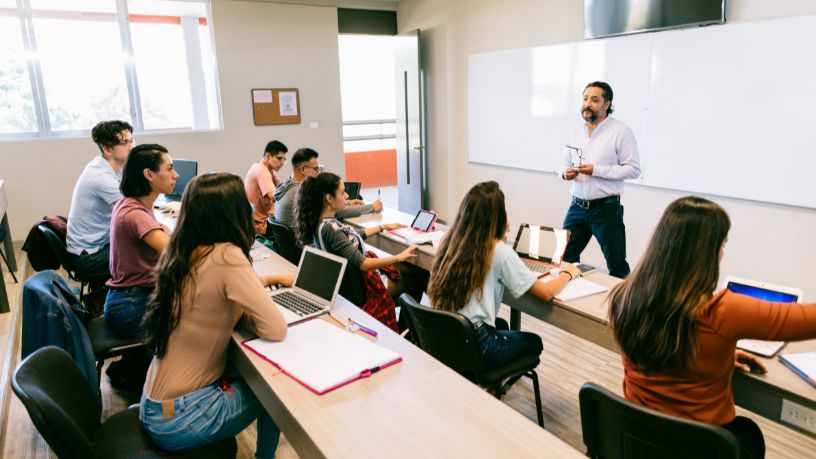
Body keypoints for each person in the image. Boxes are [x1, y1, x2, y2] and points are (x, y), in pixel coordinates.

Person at [609, 196, 816, 459]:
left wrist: (720, 355)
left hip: (638, 440)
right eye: (723, 244)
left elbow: (668, 345)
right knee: (747, 433)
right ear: (707, 251)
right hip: (698, 449)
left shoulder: (623, 297)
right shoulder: (723, 311)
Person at [140, 173, 292, 457]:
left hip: (155, 405)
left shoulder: (182, 251)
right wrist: (249, 314)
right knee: (275, 390)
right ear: (232, 212)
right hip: (181, 418)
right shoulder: (227, 256)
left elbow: (213, 293)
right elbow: (275, 329)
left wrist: (257, 294)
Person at [427, 181, 581, 370]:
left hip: (446, 335)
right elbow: (547, 293)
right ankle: (491, 386)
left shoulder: (451, 240)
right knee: (534, 342)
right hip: (477, 343)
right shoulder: (499, 251)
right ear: (497, 217)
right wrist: (568, 273)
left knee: (501, 324)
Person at [293, 172, 413, 331]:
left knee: (409, 270)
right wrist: (399, 256)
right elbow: (364, 264)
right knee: (415, 278)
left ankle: (405, 327)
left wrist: (382, 227)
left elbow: (350, 239)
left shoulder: (320, 222)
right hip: (364, 288)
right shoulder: (331, 229)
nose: (347, 195)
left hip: (348, 285)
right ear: (329, 198)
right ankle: (405, 330)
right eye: (342, 192)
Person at [559, 81, 640, 278]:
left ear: (606, 104)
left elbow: (634, 169)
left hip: (606, 209)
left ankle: (622, 307)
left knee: (617, 265)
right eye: (585, 98)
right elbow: (563, 164)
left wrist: (597, 170)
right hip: (577, 207)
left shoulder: (621, 131)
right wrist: (564, 173)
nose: (588, 103)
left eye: (594, 100)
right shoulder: (574, 131)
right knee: (563, 259)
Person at [104, 144, 176, 338]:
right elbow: (176, 253)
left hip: (128, 300)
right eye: (169, 168)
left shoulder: (131, 204)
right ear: (149, 174)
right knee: (204, 318)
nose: (176, 175)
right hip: (130, 307)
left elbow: (165, 232)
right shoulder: (135, 214)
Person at [66, 120, 134, 280]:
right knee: (146, 250)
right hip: (88, 257)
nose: (131, 146)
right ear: (107, 149)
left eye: (131, 140)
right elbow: (131, 212)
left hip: (99, 243)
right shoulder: (100, 177)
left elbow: (132, 197)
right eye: (125, 142)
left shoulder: (112, 167)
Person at [274, 147, 382, 230]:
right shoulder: (300, 192)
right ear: (302, 169)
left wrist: (347, 202)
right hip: (305, 249)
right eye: (316, 169)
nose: (318, 172)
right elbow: (335, 211)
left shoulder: (286, 185)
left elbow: (326, 206)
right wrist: (372, 207)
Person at [245, 139, 287, 235]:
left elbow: (279, 185)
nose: (282, 163)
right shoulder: (262, 171)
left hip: (255, 221)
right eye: (280, 159)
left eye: (284, 159)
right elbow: (274, 196)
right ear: (268, 156)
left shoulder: (262, 166)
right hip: (260, 226)